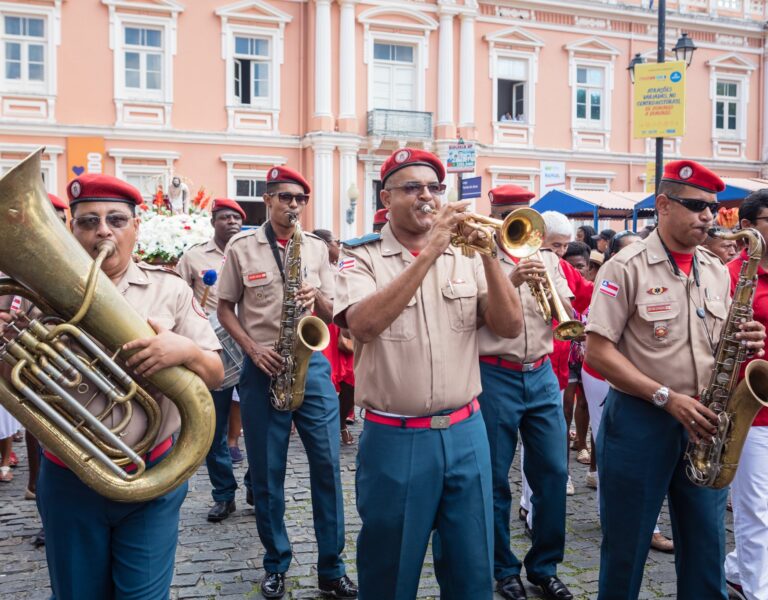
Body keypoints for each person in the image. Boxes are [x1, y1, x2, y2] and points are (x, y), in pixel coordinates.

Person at [0, 173, 224, 600]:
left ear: (135, 228)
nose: (103, 230)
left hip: (153, 476)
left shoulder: (170, 290)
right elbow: (14, 376)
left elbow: (215, 374)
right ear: (71, 230)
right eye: (88, 221)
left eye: (116, 220)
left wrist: (187, 352)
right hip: (70, 480)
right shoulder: (35, 293)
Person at [334, 148, 522, 599]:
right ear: (386, 197)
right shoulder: (361, 257)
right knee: (389, 573)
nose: (427, 197)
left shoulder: (465, 254)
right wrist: (430, 252)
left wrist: (490, 255)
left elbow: (509, 325)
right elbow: (362, 324)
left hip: (466, 432)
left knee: (472, 570)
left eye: (434, 188)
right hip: (396, 437)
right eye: (412, 187)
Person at [585, 160, 766, 599]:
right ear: (663, 205)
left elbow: (718, 342)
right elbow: (598, 351)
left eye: (712, 207)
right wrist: (665, 397)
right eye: (695, 206)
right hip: (640, 420)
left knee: (706, 549)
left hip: (707, 420)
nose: (708, 216)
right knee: (626, 550)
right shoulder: (624, 266)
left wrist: (749, 339)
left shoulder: (717, 269)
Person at [217, 166, 357, 599]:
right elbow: (224, 309)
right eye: (284, 197)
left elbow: (333, 313)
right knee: (267, 471)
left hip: (311, 367)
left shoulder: (315, 248)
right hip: (263, 368)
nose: (293, 205)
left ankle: (331, 568)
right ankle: (275, 562)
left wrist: (315, 296)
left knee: (327, 469)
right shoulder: (242, 248)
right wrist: (251, 352)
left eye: (300, 199)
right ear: (269, 200)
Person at [475, 186, 573, 600]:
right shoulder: (473, 261)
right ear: (493, 216)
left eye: (523, 214)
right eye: (507, 214)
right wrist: (510, 281)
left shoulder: (547, 258)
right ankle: (502, 568)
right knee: (496, 477)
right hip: (494, 372)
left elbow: (560, 314)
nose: (515, 222)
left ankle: (545, 566)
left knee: (552, 471)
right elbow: (471, 320)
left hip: (541, 373)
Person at [176, 197, 246, 523]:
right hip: (212, 351)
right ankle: (224, 494)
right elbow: (177, 298)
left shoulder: (251, 251)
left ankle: (257, 487)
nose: (231, 222)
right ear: (213, 221)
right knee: (214, 430)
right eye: (224, 217)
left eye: (236, 217)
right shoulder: (193, 256)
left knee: (260, 428)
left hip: (252, 349)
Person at [723, 189, 768, 600]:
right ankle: (757, 590)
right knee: (755, 509)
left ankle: (737, 568)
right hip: (751, 407)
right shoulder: (731, 275)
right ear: (750, 228)